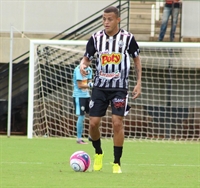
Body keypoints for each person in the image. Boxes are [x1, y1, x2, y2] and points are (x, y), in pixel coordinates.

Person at [79, 6, 142, 173]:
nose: (106, 22)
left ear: (118, 20)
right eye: (104, 19)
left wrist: (139, 82)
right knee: (93, 123)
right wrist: (83, 66)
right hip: (100, 86)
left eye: (110, 19)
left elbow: (136, 59)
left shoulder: (128, 38)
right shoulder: (95, 38)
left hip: (119, 88)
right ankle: (98, 152)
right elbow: (86, 58)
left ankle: (116, 163)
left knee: (117, 123)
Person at [72, 65, 93, 144]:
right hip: (79, 96)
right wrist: (91, 85)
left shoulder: (89, 69)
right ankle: (79, 138)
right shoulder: (78, 69)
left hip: (87, 96)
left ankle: (91, 136)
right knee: (81, 116)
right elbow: (79, 85)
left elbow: (89, 80)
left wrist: (91, 83)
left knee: (93, 115)